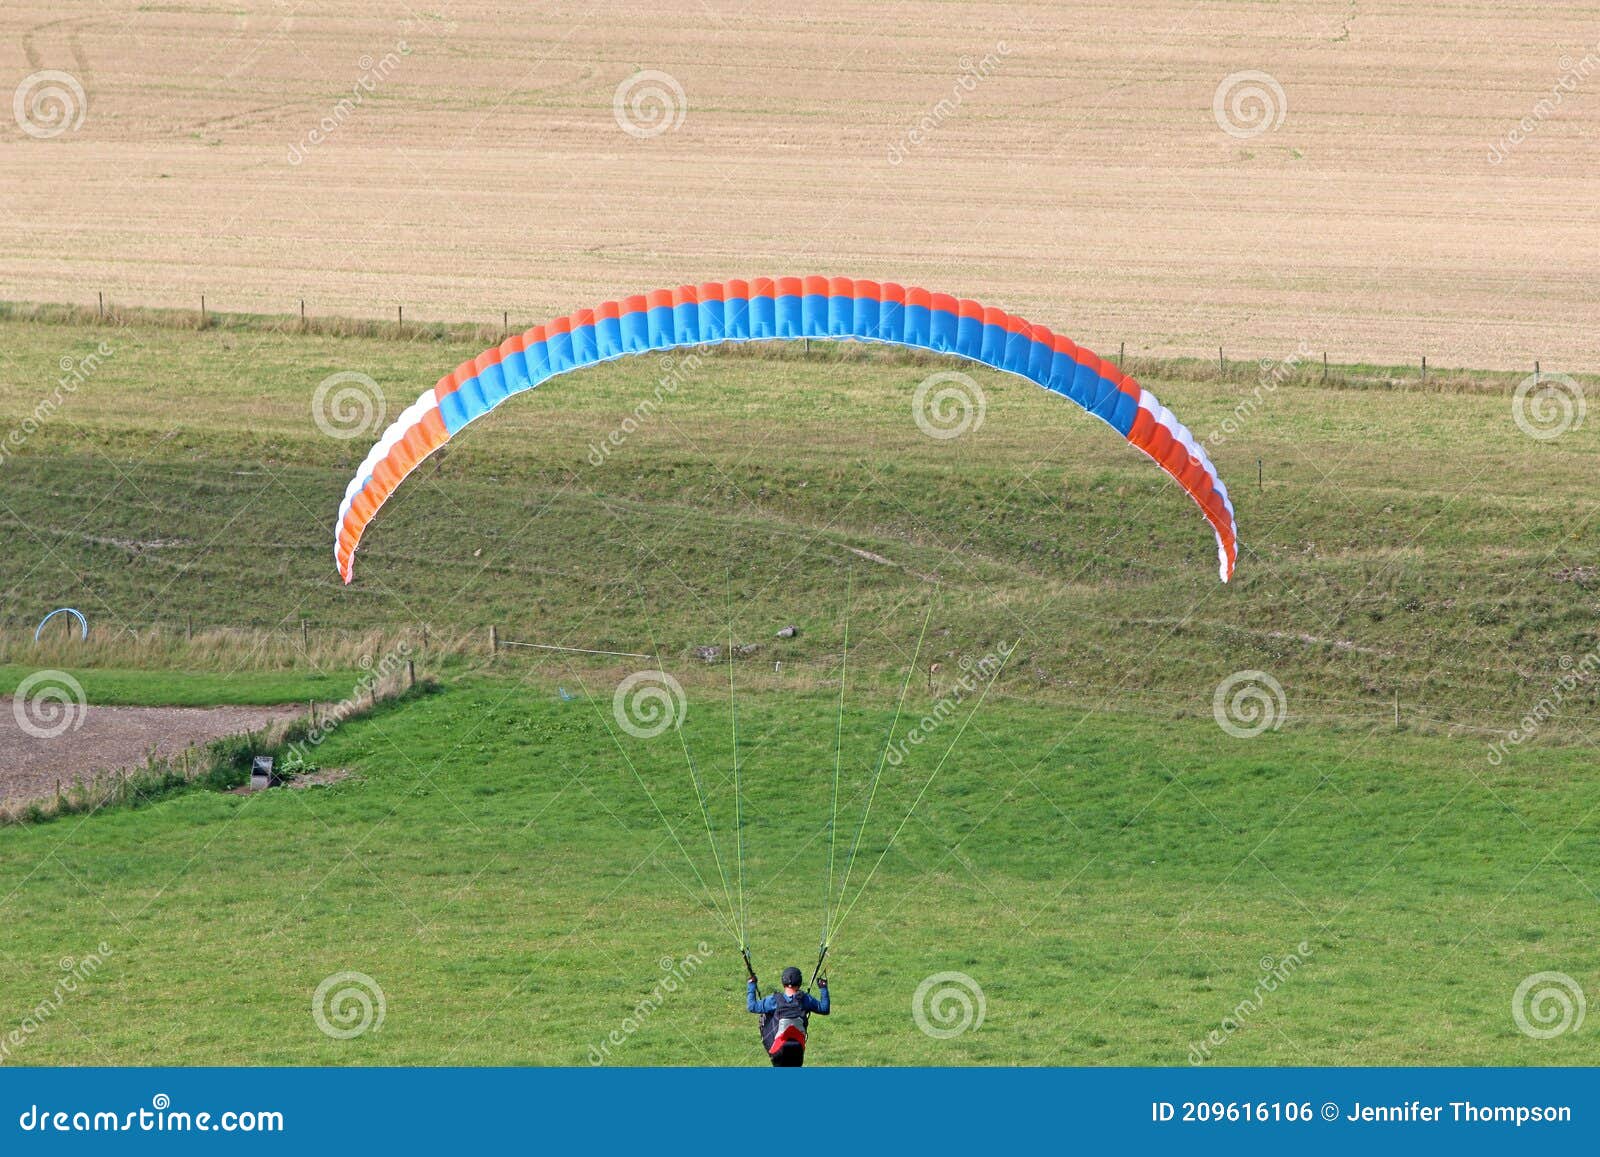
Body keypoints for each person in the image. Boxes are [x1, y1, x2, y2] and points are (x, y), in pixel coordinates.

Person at [747, 965, 830, 1067]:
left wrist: (751, 985)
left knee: (766, 1016)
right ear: (799, 983)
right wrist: (823, 987)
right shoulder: (805, 999)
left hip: (778, 1051)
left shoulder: (774, 1000)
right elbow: (824, 1009)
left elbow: (752, 1006)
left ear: (783, 982)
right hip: (798, 1049)